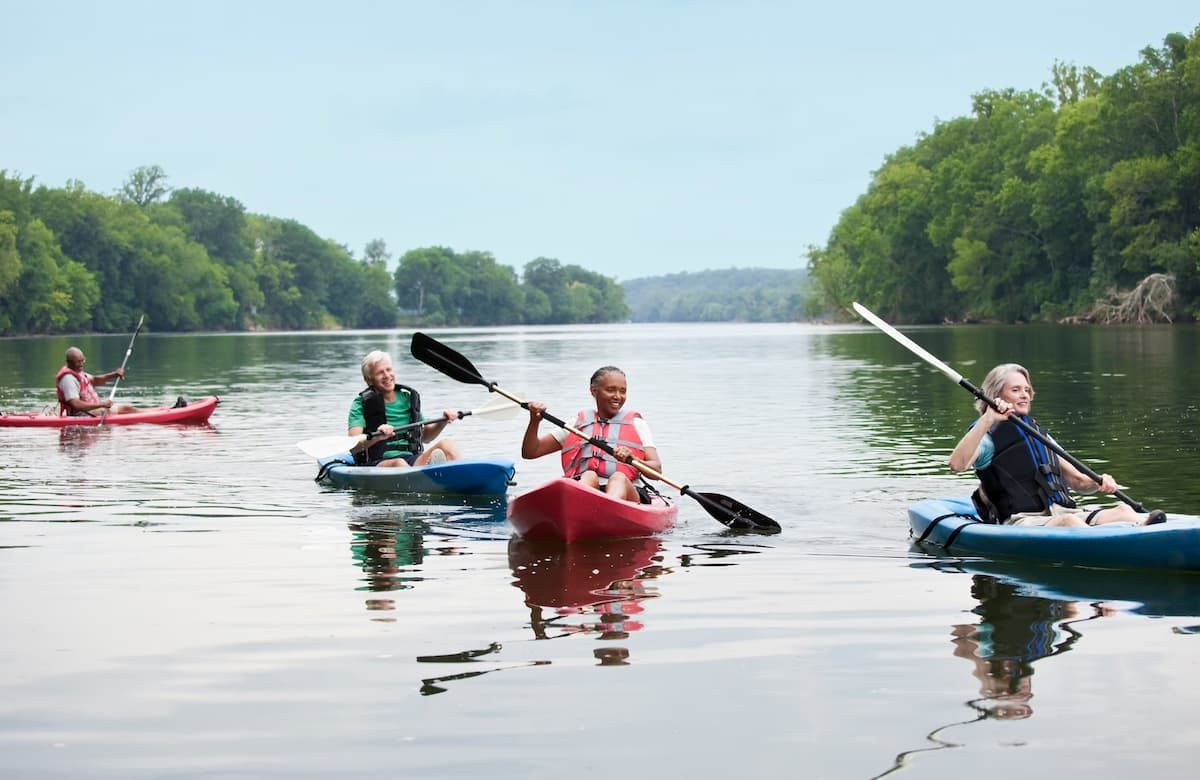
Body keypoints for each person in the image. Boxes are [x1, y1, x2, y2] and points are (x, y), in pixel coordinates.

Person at [948, 363, 1165, 527]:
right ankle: (1109, 547)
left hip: (1059, 511)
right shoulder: (987, 436)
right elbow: (957, 464)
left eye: (1027, 390)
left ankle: (1149, 531)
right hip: (1022, 520)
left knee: (1122, 510)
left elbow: (1077, 480)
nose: (1024, 395)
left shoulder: (1038, 435)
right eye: (1016, 390)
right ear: (996, 396)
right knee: (1068, 522)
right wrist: (988, 418)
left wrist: (1100, 482)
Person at [521, 365, 661, 503]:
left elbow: (657, 471)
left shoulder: (636, 424)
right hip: (585, 488)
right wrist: (535, 421)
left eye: (623, 391)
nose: (618, 396)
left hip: (627, 492)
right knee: (589, 475)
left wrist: (634, 459)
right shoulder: (577, 424)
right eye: (610, 390)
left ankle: (609, 507)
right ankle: (580, 506)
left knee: (618, 478)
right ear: (594, 391)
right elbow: (531, 452)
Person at [347, 350, 462, 468]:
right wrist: (377, 436)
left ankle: (464, 477)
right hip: (377, 462)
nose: (387, 375)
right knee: (399, 463)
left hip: (411, 459)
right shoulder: (360, 404)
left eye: (389, 369)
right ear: (369, 380)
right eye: (380, 373)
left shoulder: (407, 398)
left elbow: (426, 437)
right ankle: (425, 476)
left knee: (448, 445)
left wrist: (442, 422)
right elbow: (353, 446)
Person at [56, 347, 138, 417]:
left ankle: (145, 412)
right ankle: (147, 416)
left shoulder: (77, 371)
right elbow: (76, 404)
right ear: (69, 362)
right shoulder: (68, 379)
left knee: (127, 409)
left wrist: (114, 375)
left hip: (91, 410)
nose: (81, 364)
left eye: (82, 360)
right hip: (82, 414)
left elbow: (95, 381)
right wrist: (102, 404)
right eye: (78, 362)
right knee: (124, 409)